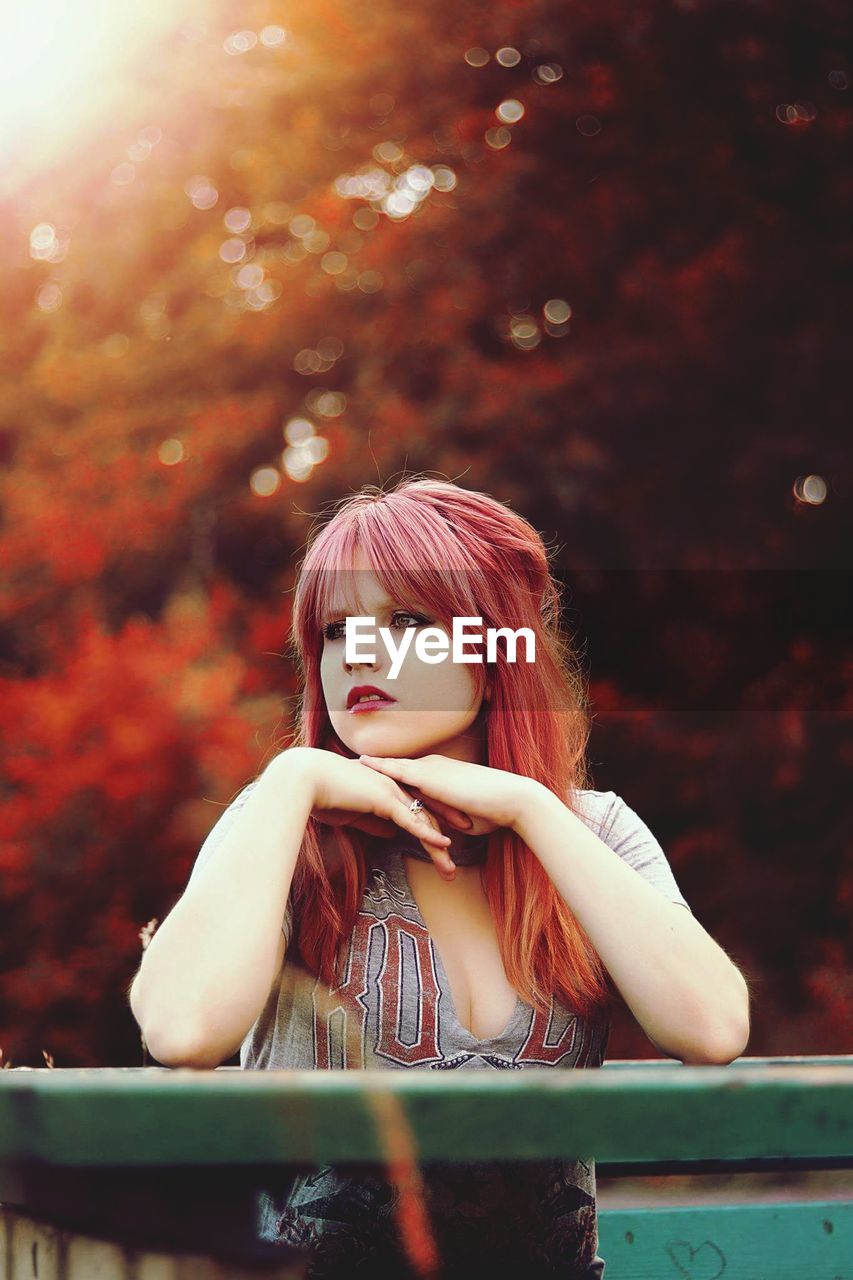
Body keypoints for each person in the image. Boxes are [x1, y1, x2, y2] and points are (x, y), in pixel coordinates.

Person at [129, 476, 751, 1278]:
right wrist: (288, 781)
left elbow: (710, 1029)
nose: (357, 653)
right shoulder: (285, 828)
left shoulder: (590, 831)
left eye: (408, 622)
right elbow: (180, 1030)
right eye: (333, 630)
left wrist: (532, 809)